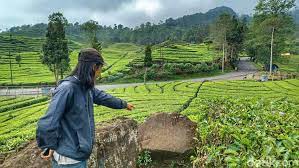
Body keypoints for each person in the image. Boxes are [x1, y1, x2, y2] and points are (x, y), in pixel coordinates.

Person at [36, 48, 134, 168]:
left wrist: (123, 104)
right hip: (68, 160)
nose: (100, 74)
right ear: (94, 67)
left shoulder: (84, 87)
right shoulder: (67, 88)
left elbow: (103, 97)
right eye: (100, 69)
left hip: (79, 156)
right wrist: (49, 145)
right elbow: (47, 123)